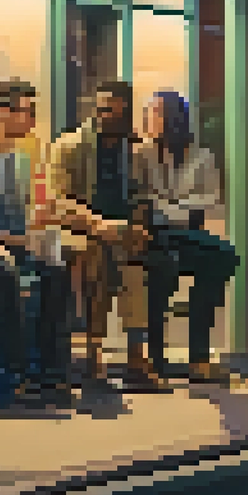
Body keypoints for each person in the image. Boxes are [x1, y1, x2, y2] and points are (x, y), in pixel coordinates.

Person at [0, 80, 72, 403]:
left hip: (13, 241)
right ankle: (17, 373)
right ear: (3, 112)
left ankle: (53, 372)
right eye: (28, 111)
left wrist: (33, 230)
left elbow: (18, 215)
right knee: (6, 273)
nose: (32, 120)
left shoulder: (19, 159)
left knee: (56, 268)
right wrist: (9, 238)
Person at [48, 80, 155, 389]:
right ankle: (95, 353)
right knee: (97, 255)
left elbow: (140, 194)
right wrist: (96, 223)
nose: (106, 117)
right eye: (102, 110)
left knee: (136, 268)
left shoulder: (131, 150)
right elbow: (58, 200)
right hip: (77, 229)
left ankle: (136, 355)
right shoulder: (68, 146)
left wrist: (139, 224)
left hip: (120, 230)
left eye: (115, 112)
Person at [133, 90, 239, 384]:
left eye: (155, 112)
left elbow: (210, 198)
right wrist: (178, 207)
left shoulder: (201, 156)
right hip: (152, 235)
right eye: (148, 112)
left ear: (172, 117)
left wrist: (168, 208)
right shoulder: (140, 154)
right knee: (162, 268)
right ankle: (157, 358)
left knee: (222, 258)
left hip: (186, 234)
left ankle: (198, 356)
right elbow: (142, 199)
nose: (148, 118)